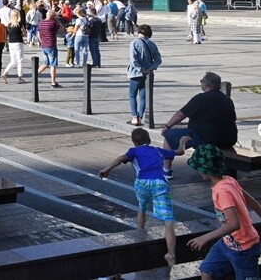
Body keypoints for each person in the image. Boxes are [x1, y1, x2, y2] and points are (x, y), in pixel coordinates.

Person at [99, 128, 189, 268]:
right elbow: (180, 151)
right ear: (149, 140)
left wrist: (107, 169)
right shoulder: (158, 150)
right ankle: (171, 253)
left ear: (134, 142)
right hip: (159, 183)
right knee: (168, 220)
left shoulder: (133, 151)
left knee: (142, 207)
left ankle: (140, 233)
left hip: (142, 183)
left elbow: (122, 158)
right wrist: (182, 141)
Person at [187, 144, 261, 280]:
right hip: (227, 244)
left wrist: (205, 237)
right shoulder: (229, 180)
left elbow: (234, 224)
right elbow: (253, 202)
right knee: (206, 270)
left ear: (205, 170)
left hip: (245, 248)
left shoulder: (222, 191)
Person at [160, 71, 238, 179]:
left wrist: (167, 127)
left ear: (206, 83)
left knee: (169, 135)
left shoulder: (201, 98)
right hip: (229, 138)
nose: (201, 83)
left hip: (206, 137)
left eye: (202, 81)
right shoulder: (227, 100)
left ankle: (166, 170)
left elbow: (180, 115)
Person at [127, 24, 162, 127]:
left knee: (132, 95)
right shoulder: (152, 44)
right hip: (148, 74)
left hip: (136, 73)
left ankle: (134, 117)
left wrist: (140, 69)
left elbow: (133, 59)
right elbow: (158, 59)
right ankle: (140, 117)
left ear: (139, 32)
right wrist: (151, 68)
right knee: (143, 97)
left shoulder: (134, 42)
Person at [36, 10, 62, 88]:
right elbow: (62, 29)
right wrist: (56, 19)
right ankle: (53, 82)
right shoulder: (53, 23)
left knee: (45, 63)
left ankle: (35, 75)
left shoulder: (40, 23)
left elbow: (38, 34)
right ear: (53, 16)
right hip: (51, 45)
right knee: (53, 65)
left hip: (44, 45)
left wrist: (41, 42)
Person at [1, 8, 27, 84]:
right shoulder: (19, 24)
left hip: (11, 43)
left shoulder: (9, 24)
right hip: (18, 42)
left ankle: (5, 73)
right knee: (20, 61)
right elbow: (24, 33)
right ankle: (20, 77)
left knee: (13, 61)